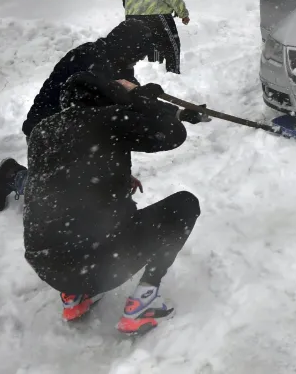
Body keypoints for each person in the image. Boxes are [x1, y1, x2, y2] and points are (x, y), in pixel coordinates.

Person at [23, 72, 207, 334]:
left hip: (47, 266)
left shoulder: (42, 131)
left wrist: (115, 174)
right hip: (101, 263)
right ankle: (144, 303)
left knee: (66, 221)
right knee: (185, 205)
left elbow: (59, 178)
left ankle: (75, 297)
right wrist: (143, 100)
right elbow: (173, 134)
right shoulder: (107, 119)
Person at [0, 19, 155, 213]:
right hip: (46, 132)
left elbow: (132, 106)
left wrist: (176, 111)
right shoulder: (90, 60)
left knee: (95, 189)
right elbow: (105, 117)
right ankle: (13, 176)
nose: (138, 61)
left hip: (75, 132)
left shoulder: (119, 63)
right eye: (137, 55)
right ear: (126, 47)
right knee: (67, 198)